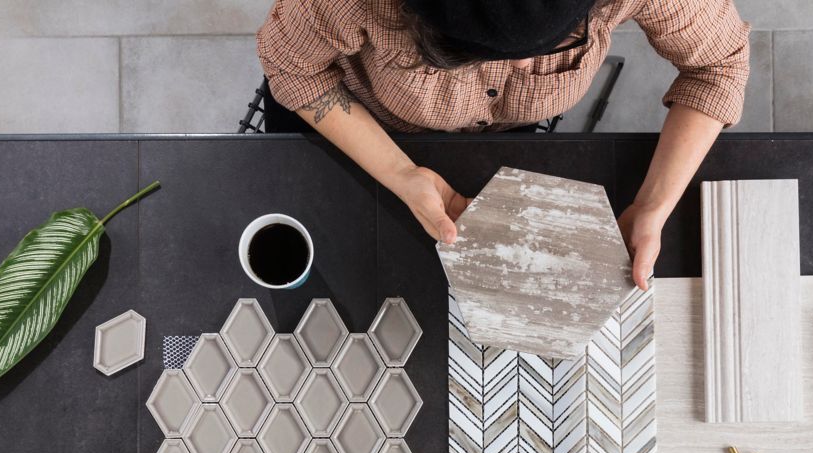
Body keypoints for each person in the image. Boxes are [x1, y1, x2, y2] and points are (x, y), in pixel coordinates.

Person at [256, 0, 751, 289]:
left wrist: (653, 205)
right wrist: (400, 173)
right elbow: (292, 70)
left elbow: (719, 65)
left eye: (551, 51)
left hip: (491, 150)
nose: (512, 71)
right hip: (353, 133)